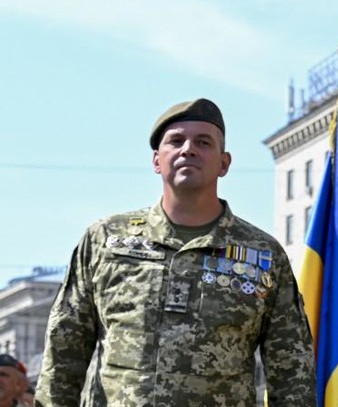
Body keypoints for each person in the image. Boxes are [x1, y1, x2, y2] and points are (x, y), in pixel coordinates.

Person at [36, 99, 317, 406]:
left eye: (203, 142)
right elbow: (64, 353)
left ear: (224, 163)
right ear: (157, 160)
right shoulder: (106, 240)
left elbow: (292, 374)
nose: (188, 150)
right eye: (176, 141)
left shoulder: (263, 255)